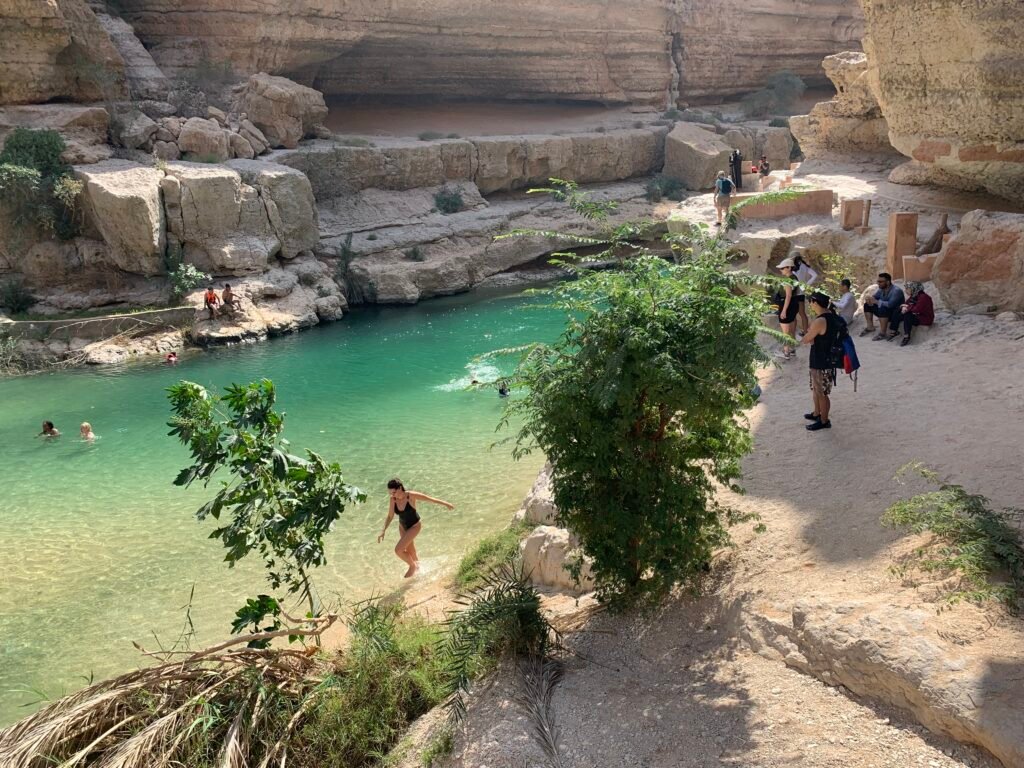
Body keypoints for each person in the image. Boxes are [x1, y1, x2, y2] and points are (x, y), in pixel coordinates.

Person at [377, 478, 455, 578]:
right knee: (411, 551)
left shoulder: (411, 496)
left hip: (414, 526)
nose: (392, 495)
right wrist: (383, 530)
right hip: (402, 527)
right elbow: (390, 516)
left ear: (400, 488)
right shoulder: (393, 499)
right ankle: (419, 572)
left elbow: (429, 499)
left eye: (394, 492)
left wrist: (446, 504)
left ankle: (412, 566)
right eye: (390, 493)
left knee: (398, 550)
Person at [800, 292, 843, 431]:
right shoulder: (830, 316)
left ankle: (824, 420)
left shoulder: (820, 321)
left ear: (815, 303)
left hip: (821, 361)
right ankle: (816, 413)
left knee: (822, 393)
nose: (810, 305)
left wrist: (808, 332)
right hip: (822, 359)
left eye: (811, 302)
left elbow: (806, 339)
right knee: (817, 390)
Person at [860, 272, 905, 340]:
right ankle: (870, 327)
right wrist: (870, 299)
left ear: (888, 282)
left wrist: (876, 302)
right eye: (878, 281)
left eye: (881, 282)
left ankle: (882, 333)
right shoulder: (881, 289)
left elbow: (890, 304)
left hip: (895, 314)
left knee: (882, 307)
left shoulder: (896, 291)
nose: (878, 283)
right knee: (867, 305)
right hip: (885, 312)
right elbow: (875, 297)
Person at [889, 281, 934, 346]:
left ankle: (906, 336)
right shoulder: (914, 296)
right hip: (916, 315)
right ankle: (894, 331)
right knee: (897, 311)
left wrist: (907, 308)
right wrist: (903, 307)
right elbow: (906, 304)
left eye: (908, 289)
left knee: (908, 315)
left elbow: (917, 309)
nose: (906, 291)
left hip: (925, 318)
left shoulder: (923, 297)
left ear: (914, 288)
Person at [773, 257, 800, 360]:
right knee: (792, 328)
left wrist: (783, 310)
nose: (781, 270)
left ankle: (786, 352)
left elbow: (788, 295)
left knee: (785, 331)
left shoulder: (788, 280)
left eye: (783, 268)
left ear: (789, 268)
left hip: (786, 304)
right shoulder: (794, 277)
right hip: (794, 304)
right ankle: (792, 349)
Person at [791, 253, 819, 334]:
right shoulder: (805, 266)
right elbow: (815, 275)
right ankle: (805, 332)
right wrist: (807, 284)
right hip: (802, 292)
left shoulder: (795, 268)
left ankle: (792, 334)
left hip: (795, 292)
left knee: (793, 314)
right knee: (802, 313)